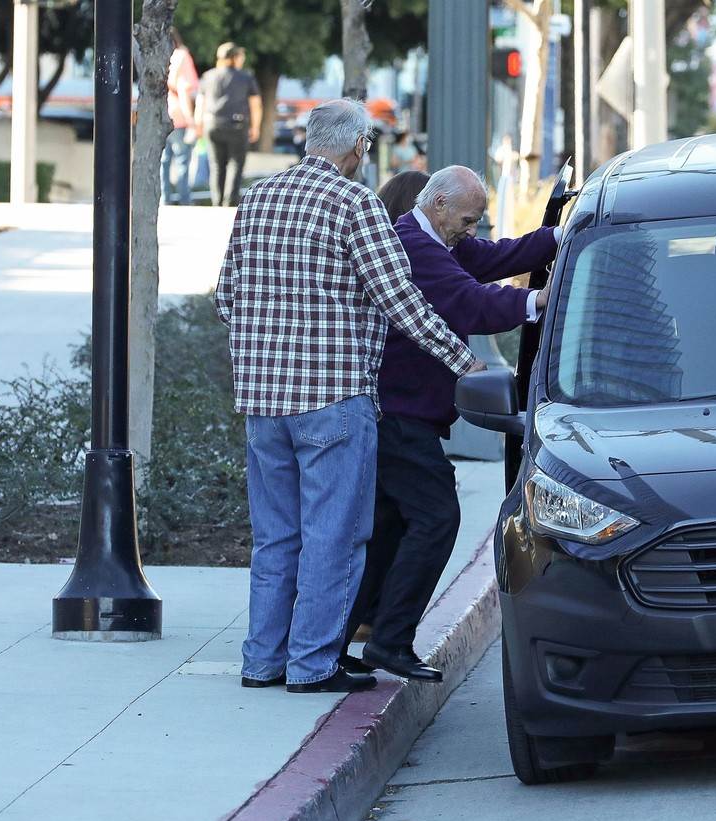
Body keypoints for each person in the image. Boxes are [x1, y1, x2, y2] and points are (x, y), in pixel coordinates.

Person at [215, 100, 485, 694]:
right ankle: (312, 665)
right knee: (333, 536)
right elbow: (402, 301)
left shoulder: (257, 197)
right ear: (360, 146)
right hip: (334, 400)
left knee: (277, 538)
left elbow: (226, 296)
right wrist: (464, 361)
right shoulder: (354, 202)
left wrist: (265, 355)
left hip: (263, 405)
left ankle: (262, 661)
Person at [347, 165, 561, 683]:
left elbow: (498, 257)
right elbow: (469, 302)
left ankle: (348, 637)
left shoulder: (442, 242)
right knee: (437, 517)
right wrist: (537, 301)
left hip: (406, 415)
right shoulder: (412, 247)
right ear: (438, 204)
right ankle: (389, 640)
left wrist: (560, 233)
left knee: (392, 527)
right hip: (398, 416)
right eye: (468, 218)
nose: (473, 229)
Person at [194, 42, 262, 207]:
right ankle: (230, 202)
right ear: (235, 58)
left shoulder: (208, 76)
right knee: (235, 164)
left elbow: (200, 102)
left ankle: (217, 201)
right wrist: (256, 126)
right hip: (237, 125)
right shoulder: (246, 77)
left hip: (212, 123)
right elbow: (255, 104)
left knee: (216, 165)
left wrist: (199, 124)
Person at [161, 28, 198, 205]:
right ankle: (184, 199)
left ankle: (164, 198)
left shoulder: (159, 57)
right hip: (179, 116)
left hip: (162, 113)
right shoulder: (182, 55)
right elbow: (184, 89)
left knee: (164, 160)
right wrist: (191, 120)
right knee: (183, 160)